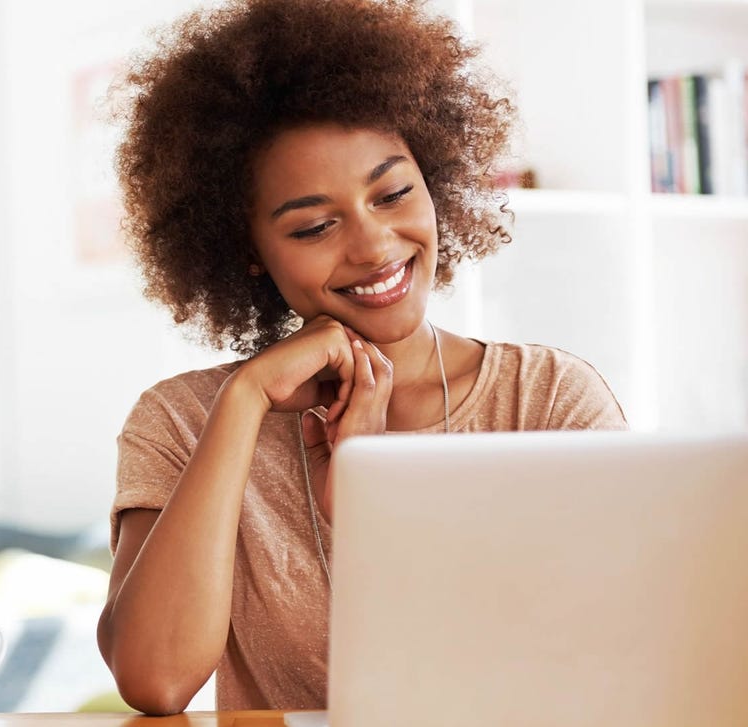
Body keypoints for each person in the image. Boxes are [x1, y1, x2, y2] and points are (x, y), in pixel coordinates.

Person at [95, 0, 627, 716]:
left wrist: (374, 516)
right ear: (248, 250)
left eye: (394, 193)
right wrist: (247, 399)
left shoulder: (549, 400)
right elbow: (154, 678)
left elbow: (612, 659)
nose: (375, 245)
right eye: (315, 225)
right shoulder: (182, 422)